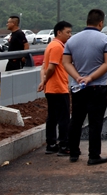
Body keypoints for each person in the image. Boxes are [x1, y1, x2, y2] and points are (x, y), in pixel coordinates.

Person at [62, 8, 107, 165]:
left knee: (76, 120)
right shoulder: (105, 40)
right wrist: (91, 77)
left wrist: (78, 77)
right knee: (95, 122)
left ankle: (73, 152)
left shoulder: (72, 40)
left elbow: (66, 62)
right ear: (101, 23)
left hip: (78, 88)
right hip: (97, 87)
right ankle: (93, 155)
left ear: (87, 21)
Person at [37, 21, 73, 156]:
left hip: (51, 89)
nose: (69, 35)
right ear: (59, 32)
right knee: (64, 118)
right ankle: (64, 145)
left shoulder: (51, 45)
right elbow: (51, 67)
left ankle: (51, 144)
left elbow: (43, 68)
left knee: (52, 117)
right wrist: (45, 81)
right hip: (58, 87)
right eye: (67, 32)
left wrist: (43, 82)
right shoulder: (58, 47)